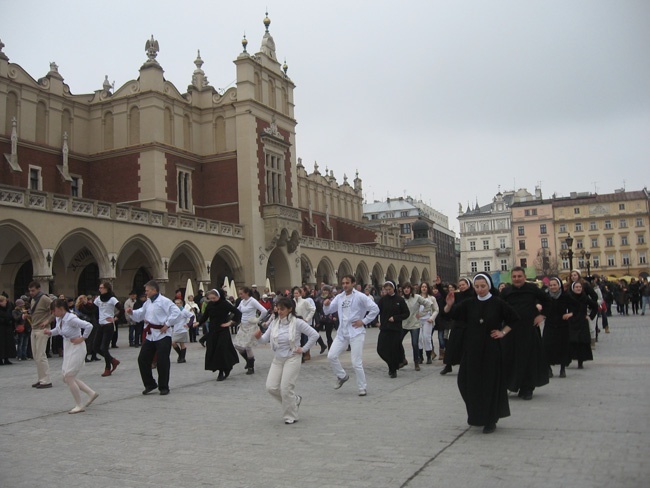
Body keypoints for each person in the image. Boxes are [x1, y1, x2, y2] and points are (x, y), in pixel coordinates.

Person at [444, 273, 520, 434]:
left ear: (489, 286)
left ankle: (490, 419)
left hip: (491, 348)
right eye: (477, 287)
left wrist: (503, 332)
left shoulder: (498, 303)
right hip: (472, 348)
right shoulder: (469, 303)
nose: (480, 290)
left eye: (483, 286)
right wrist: (449, 305)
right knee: (465, 382)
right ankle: (478, 414)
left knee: (489, 385)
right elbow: (452, 315)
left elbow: (514, 319)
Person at [254, 297, 320, 424]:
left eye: (282, 309)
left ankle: (290, 415)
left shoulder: (298, 322)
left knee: (286, 388)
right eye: (278, 309)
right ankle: (294, 400)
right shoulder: (274, 323)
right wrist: (258, 337)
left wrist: (304, 348)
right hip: (278, 358)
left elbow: (314, 335)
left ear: (290, 309)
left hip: (292, 357)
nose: (279, 311)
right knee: (271, 387)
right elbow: (264, 340)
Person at [323, 274, 379, 396]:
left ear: (353, 283)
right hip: (342, 333)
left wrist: (363, 321)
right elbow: (328, 311)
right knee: (331, 355)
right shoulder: (339, 297)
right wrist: (326, 304)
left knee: (356, 362)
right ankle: (342, 376)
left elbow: (375, 309)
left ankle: (362, 387)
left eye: (347, 283)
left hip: (356, 332)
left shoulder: (360, 296)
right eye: (343, 283)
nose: (345, 285)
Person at [500, 267, 550, 400]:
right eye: (514, 276)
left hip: (528, 330)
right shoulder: (506, 291)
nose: (517, 279)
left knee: (528, 359)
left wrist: (542, 315)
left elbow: (547, 301)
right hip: (511, 330)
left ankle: (527, 388)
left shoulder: (532, 288)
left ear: (524, 276)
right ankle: (510, 385)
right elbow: (499, 307)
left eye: (519, 276)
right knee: (509, 358)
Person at [126, 280, 181, 395]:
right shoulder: (147, 303)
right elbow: (141, 313)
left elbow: (176, 312)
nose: (145, 293)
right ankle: (150, 383)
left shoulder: (165, 301)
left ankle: (164, 386)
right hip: (151, 335)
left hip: (163, 335)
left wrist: (167, 324)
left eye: (147, 290)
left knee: (162, 361)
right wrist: (132, 312)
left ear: (154, 290)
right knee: (142, 359)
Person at [44, 299, 99, 413]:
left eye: (54, 311)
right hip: (68, 346)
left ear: (60, 309)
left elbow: (88, 326)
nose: (53, 313)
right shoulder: (60, 318)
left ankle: (79, 405)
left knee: (69, 376)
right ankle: (91, 393)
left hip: (77, 347)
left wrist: (82, 338)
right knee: (66, 377)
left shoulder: (71, 318)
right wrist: (50, 332)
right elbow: (59, 330)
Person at [197, 289, 242, 381]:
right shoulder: (210, 305)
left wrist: (231, 322)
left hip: (223, 330)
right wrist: (198, 323)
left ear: (219, 296)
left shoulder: (224, 304)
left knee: (221, 350)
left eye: (214, 298)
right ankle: (221, 369)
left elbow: (237, 312)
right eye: (211, 298)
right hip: (213, 330)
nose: (213, 300)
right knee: (213, 350)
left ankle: (223, 370)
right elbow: (205, 316)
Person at [440, 279, 476, 375]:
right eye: (460, 285)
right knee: (452, 346)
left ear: (468, 285)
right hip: (458, 324)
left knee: (466, 348)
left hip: (469, 325)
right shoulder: (457, 295)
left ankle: (467, 366)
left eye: (463, 285)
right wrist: (439, 286)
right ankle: (448, 366)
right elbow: (446, 297)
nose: (461, 287)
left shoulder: (474, 295)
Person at [376, 281, 410, 378]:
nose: (388, 291)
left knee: (393, 350)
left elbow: (406, 313)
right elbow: (376, 311)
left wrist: (395, 318)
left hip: (395, 329)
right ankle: (392, 364)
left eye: (389, 289)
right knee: (381, 349)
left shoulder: (400, 300)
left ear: (393, 289)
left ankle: (393, 369)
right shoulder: (382, 300)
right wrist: (375, 322)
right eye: (386, 290)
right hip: (385, 328)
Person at [234, 286, 269, 374]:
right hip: (243, 325)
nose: (240, 295)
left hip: (251, 326)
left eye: (241, 294)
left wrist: (258, 319)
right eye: (239, 294)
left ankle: (251, 367)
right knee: (238, 345)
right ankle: (249, 360)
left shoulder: (253, 301)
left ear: (247, 293)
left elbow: (264, 311)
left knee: (247, 346)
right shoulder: (242, 301)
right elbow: (237, 310)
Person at [563, 281, 597, 369]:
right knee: (571, 341)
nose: (578, 289)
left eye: (580, 287)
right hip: (572, 322)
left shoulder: (585, 297)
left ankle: (580, 362)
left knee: (582, 342)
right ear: (573, 288)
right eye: (576, 287)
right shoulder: (568, 297)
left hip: (582, 322)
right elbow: (563, 307)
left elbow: (595, 306)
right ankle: (567, 360)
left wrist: (590, 316)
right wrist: (567, 314)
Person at [542, 277, 571, 378]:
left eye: (555, 285)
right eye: (551, 285)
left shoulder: (565, 296)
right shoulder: (546, 297)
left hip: (562, 325)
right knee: (547, 346)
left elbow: (576, 307)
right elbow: (539, 305)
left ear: (559, 286)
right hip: (549, 325)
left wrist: (570, 314)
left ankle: (562, 369)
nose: (553, 287)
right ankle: (548, 368)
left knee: (563, 347)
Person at [399, 282, 432, 371]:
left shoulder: (417, 297)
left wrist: (421, 314)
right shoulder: (401, 299)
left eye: (408, 288)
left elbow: (428, 304)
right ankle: (402, 359)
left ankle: (416, 362)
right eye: (404, 288)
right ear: (402, 290)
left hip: (415, 324)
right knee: (397, 341)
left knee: (414, 343)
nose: (406, 289)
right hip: (404, 324)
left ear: (411, 289)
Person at [27, 281, 53, 388]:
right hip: (34, 328)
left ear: (38, 289)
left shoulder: (45, 298)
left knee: (41, 355)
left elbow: (55, 311)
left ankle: (46, 380)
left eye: (33, 290)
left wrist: (47, 321)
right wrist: (28, 316)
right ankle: (41, 378)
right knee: (36, 355)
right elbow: (36, 313)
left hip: (43, 329)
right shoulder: (33, 300)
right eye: (30, 291)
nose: (31, 293)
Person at [93, 281, 121, 377]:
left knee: (104, 347)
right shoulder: (98, 299)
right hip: (100, 324)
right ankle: (113, 360)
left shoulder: (112, 299)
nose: (100, 289)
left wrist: (115, 318)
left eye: (101, 288)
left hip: (108, 325)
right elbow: (94, 309)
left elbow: (121, 309)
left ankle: (107, 368)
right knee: (95, 347)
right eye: (99, 287)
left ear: (106, 289)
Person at [417, 282, 440, 365]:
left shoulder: (432, 298)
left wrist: (432, 318)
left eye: (425, 287)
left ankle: (429, 356)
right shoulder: (417, 297)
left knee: (427, 337)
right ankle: (420, 356)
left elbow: (436, 309)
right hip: (418, 320)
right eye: (422, 287)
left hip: (427, 320)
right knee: (419, 338)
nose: (424, 288)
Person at [171, 298, 194, 363]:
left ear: (181, 304)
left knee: (181, 344)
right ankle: (181, 355)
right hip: (175, 329)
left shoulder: (184, 311)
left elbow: (192, 316)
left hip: (182, 329)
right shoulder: (174, 311)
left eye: (178, 303)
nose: (176, 304)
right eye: (175, 303)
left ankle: (182, 357)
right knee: (173, 343)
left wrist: (189, 324)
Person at [0, 295, 16, 365]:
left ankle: (6, 358)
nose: (4, 303)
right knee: (1, 345)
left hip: (8, 329)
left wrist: (11, 321)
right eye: (3, 302)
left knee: (8, 344)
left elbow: (11, 316)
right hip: (1, 329)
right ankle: (0, 359)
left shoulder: (9, 308)